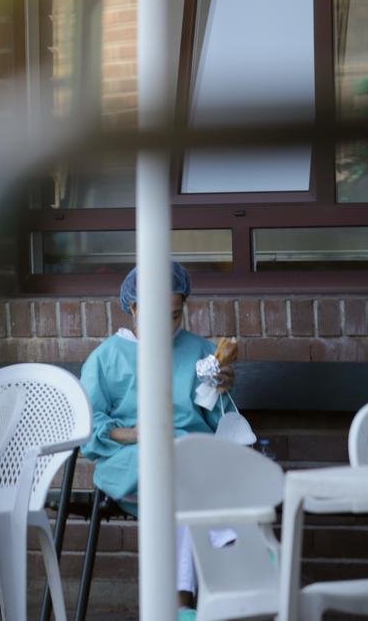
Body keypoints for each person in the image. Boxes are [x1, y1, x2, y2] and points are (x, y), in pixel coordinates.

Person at [79, 262, 235, 616]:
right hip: (134, 459)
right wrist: (136, 433)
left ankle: (186, 607)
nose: (166, 327)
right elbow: (89, 426)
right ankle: (189, 601)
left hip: (195, 461)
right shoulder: (106, 358)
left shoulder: (201, 352)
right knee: (178, 480)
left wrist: (222, 390)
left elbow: (220, 424)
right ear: (133, 307)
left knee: (189, 482)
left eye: (175, 316)